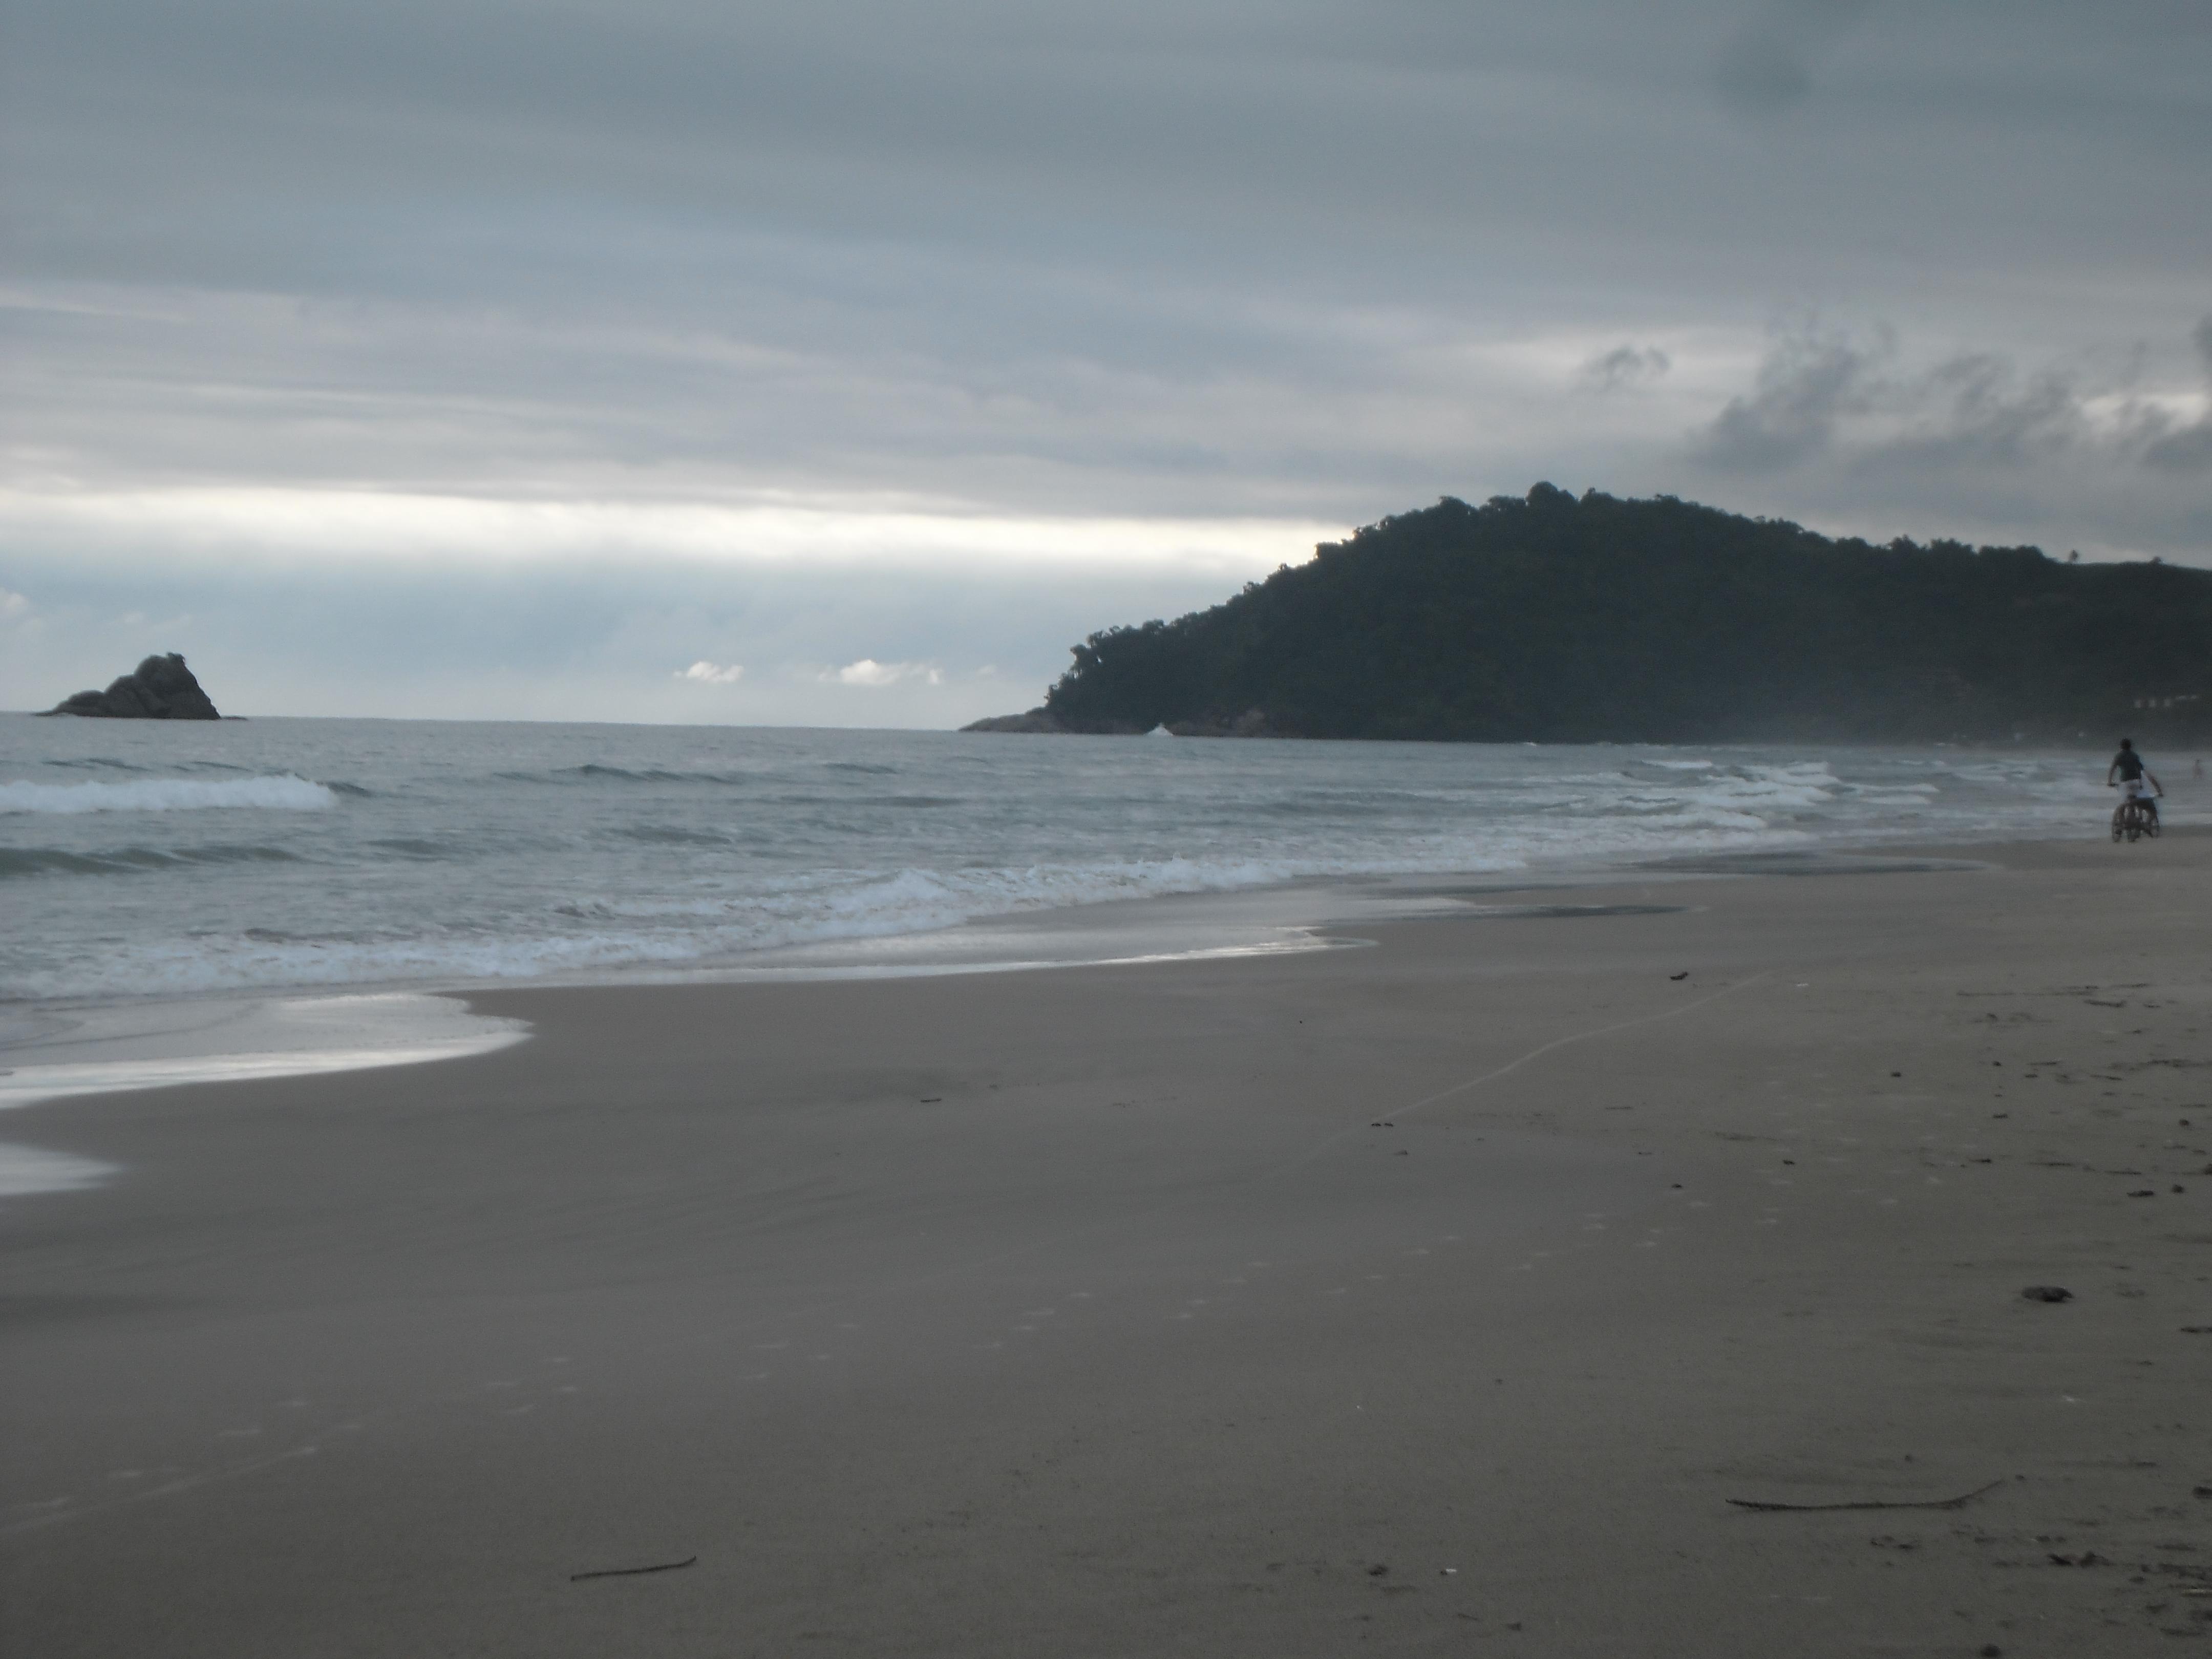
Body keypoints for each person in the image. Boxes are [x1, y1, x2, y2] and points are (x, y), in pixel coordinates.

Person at [2107, 738, 2163, 829]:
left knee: (2124, 803)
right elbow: (2140, 770)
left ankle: (2121, 824)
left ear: (2121, 747)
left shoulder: (2119, 756)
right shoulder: (2135, 756)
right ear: (2131, 747)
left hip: (2125, 782)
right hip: (2136, 782)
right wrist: (2140, 783)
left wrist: (2109, 781)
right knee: (2136, 800)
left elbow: (2113, 768)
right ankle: (2141, 822)